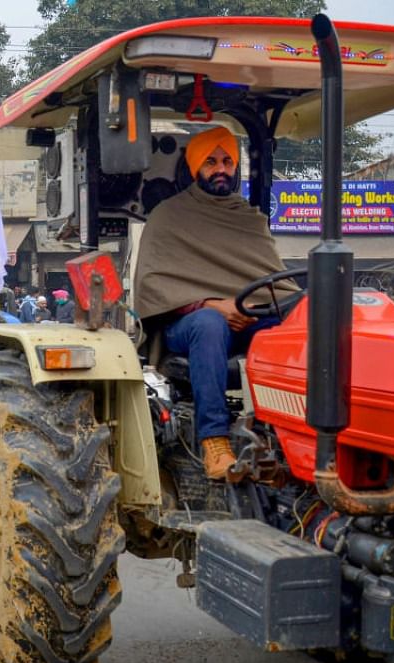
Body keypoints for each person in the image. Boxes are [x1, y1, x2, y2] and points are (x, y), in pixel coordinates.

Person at [134, 125, 295, 481]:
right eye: (210, 161)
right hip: (186, 326)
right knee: (209, 324)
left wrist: (249, 308)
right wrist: (211, 304)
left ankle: (285, 429)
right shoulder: (167, 216)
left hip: (247, 319)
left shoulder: (249, 218)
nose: (220, 169)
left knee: (298, 321)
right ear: (194, 167)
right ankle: (215, 442)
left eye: (227, 161)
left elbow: (273, 283)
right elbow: (155, 286)